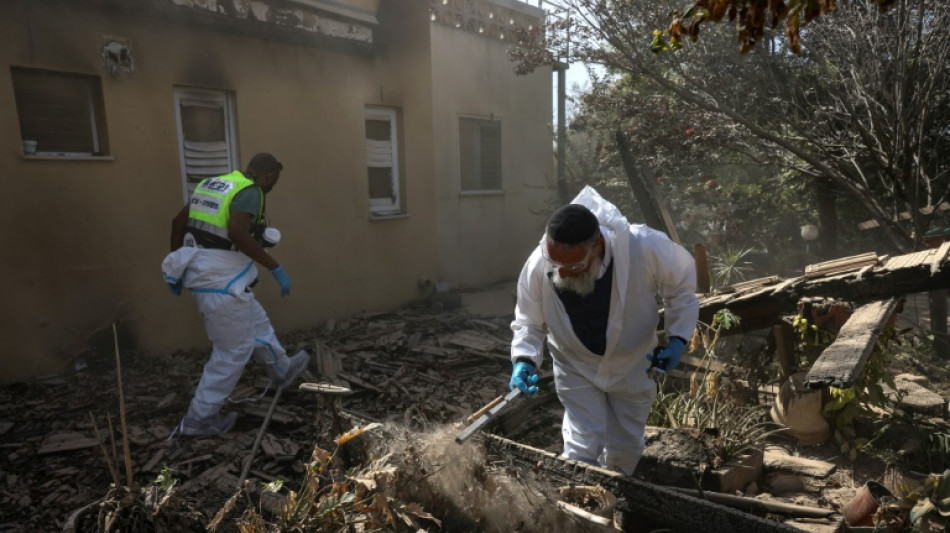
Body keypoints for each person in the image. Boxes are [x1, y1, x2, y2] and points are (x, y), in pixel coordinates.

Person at [508, 186, 699, 475]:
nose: (563, 273)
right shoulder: (538, 264)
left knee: (625, 446)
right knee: (581, 445)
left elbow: (682, 289)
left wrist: (678, 338)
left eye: (573, 266)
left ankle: (616, 499)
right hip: (575, 365)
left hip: (634, 363)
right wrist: (524, 359)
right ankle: (582, 505)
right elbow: (529, 322)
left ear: (597, 246)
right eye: (556, 264)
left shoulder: (642, 246)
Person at [162, 152, 310, 437]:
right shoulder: (251, 191)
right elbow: (238, 234)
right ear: (267, 175)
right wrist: (274, 267)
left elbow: (177, 223)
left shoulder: (213, 184)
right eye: (273, 181)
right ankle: (199, 419)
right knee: (232, 351)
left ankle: (281, 369)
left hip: (212, 277)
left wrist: (178, 261)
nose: (272, 186)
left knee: (256, 321)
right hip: (222, 281)